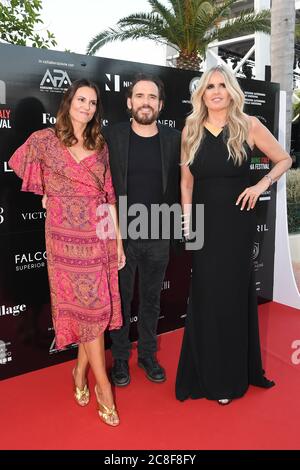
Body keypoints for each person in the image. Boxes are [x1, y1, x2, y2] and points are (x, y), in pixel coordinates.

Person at [9, 79, 125, 426]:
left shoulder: (100, 145)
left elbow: (108, 197)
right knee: (87, 310)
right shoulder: (45, 139)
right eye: (81, 100)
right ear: (69, 101)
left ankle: (79, 370)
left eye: (92, 103)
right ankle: (102, 386)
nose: (87, 107)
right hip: (63, 238)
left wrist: (117, 241)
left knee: (95, 310)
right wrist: (47, 190)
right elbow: (19, 162)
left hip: (97, 236)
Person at [176, 65, 292, 405]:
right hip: (203, 225)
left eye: (222, 86)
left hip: (237, 226)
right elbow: (186, 183)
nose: (215, 91)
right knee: (206, 296)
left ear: (231, 92)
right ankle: (204, 372)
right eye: (209, 86)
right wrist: (187, 222)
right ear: (202, 94)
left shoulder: (249, 125)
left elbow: (284, 159)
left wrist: (261, 183)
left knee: (230, 296)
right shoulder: (190, 130)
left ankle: (230, 377)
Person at [103, 73, 181, 387]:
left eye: (151, 97)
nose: (145, 102)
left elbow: (187, 182)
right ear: (129, 102)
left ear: (160, 105)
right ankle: (120, 358)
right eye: (139, 96)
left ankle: (148, 353)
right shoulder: (112, 136)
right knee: (120, 299)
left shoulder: (174, 138)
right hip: (121, 233)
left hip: (159, 230)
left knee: (151, 299)